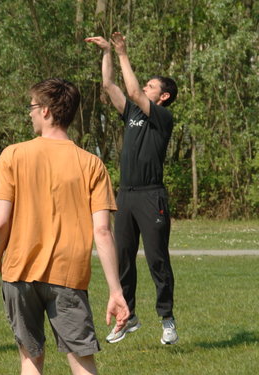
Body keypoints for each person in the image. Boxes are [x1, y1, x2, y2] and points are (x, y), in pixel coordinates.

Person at [0, 78, 130, 375]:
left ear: (47, 111)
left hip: (19, 271)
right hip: (69, 274)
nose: (29, 113)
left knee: (30, 359)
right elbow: (102, 231)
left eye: (32, 107)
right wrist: (116, 291)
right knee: (82, 359)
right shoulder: (92, 164)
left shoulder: (13, 155)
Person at [85, 32, 179, 345]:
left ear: (163, 97)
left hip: (152, 196)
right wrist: (108, 53)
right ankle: (129, 316)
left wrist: (125, 52)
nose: (145, 89)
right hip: (125, 195)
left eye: (153, 87)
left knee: (156, 259)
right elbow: (109, 86)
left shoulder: (162, 118)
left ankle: (167, 318)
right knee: (123, 258)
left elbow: (134, 90)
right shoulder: (133, 114)